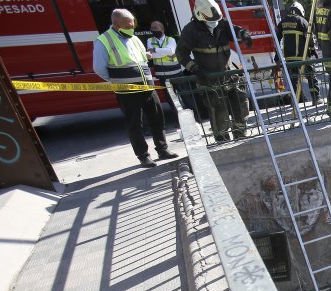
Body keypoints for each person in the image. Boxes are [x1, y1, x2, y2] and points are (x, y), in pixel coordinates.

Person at [93, 9, 177, 168]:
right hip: (127, 92)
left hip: (147, 87)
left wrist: (147, 57)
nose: (131, 28)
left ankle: (162, 149)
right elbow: (99, 68)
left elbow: (141, 58)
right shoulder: (103, 41)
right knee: (135, 124)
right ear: (116, 24)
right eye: (127, 26)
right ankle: (143, 156)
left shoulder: (134, 38)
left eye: (133, 25)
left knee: (157, 118)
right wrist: (119, 80)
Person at [176, 0, 253, 142]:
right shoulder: (191, 30)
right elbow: (181, 54)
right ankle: (222, 138)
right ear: (200, 16)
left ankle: (240, 134)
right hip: (208, 78)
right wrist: (195, 68)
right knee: (219, 111)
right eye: (211, 21)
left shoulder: (221, 24)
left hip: (228, 74)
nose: (215, 23)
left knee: (240, 104)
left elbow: (235, 29)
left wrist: (245, 34)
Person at [146, 20, 201, 116]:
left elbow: (171, 51)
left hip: (177, 74)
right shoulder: (149, 41)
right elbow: (151, 56)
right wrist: (162, 52)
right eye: (152, 28)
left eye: (155, 28)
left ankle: (196, 117)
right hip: (163, 76)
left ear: (162, 29)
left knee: (186, 96)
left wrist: (155, 50)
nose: (153, 30)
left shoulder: (170, 39)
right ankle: (179, 120)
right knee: (171, 99)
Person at [277, 1, 321, 105]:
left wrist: (276, 57)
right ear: (300, 11)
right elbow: (309, 38)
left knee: (294, 79)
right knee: (311, 75)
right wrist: (312, 50)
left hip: (289, 58)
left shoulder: (282, 23)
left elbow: (276, 40)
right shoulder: (302, 21)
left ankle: (297, 100)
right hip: (302, 56)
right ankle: (316, 98)